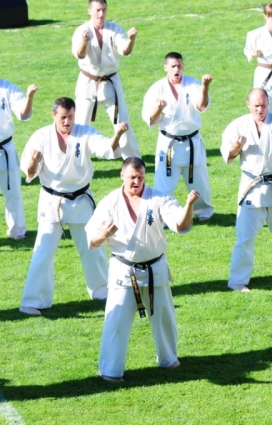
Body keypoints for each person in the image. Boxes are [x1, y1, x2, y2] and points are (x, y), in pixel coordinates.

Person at [86, 157, 199, 382]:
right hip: (123, 271)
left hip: (155, 268)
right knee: (116, 321)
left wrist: (188, 206)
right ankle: (110, 370)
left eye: (140, 177)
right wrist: (105, 234)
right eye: (132, 177)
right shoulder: (109, 203)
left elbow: (180, 225)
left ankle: (168, 359)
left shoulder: (158, 198)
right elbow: (92, 241)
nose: (136, 182)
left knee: (164, 318)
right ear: (122, 176)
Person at [18, 97, 128, 316]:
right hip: (52, 200)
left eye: (70, 117)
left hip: (80, 199)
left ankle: (101, 290)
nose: (67, 122)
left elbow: (106, 149)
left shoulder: (84, 132)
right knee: (43, 251)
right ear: (53, 116)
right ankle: (33, 300)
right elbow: (29, 172)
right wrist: (34, 162)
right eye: (63, 117)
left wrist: (116, 135)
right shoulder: (41, 136)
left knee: (92, 247)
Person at [221, 88, 272, 292]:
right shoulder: (238, 125)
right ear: (248, 105)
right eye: (256, 106)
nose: (260, 110)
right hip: (252, 187)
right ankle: (237, 280)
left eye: (264, 105)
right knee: (245, 237)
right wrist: (237, 146)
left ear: (269, 104)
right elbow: (228, 156)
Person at [141, 52, 214, 221]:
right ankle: (163, 214)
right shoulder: (157, 89)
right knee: (164, 183)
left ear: (183, 67)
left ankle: (203, 211)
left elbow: (201, 105)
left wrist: (205, 86)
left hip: (192, 142)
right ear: (165, 67)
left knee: (199, 180)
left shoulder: (193, 84)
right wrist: (159, 109)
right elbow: (150, 120)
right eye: (173, 66)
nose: (176, 69)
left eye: (179, 66)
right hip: (169, 144)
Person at [72, 0, 139, 159]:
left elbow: (125, 50)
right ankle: (76, 158)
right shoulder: (81, 31)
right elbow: (80, 54)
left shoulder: (114, 29)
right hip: (88, 84)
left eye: (104, 10)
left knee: (122, 122)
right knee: (80, 125)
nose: (101, 14)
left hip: (111, 85)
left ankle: (133, 159)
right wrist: (85, 41)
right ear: (89, 11)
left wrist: (131, 40)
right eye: (98, 10)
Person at [0, 79, 37, 240]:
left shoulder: (7, 88)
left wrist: (29, 97)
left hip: (5, 148)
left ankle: (17, 230)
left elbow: (23, 114)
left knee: (12, 192)